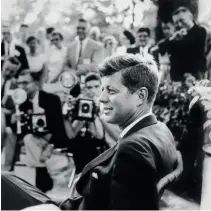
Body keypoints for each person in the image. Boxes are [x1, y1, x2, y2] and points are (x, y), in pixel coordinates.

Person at [1, 54, 178, 210]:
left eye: (111, 90)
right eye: (102, 90)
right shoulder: (161, 130)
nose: (101, 98)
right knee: (5, 179)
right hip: (72, 203)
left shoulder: (133, 150)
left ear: (141, 96)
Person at [9, 69, 69, 192]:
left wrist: (50, 146)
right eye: (19, 83)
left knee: (29, 143)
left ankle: (40, 176)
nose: (22, 87)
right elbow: (21, 133)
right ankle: (42, 173)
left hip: (51, 140)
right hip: (32, 142)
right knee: (28, 139)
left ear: (36, 83)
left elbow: (58, 129)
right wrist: (14, 122)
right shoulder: (20, 101)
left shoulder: (51, 100)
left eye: (25, 83)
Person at [158, 5, 207, 81]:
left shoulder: (200, 31)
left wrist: (179, 38)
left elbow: (191, 47)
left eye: (182, 20)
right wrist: (172, 38)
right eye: (176, 22)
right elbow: (161, 50)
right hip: (176, 77)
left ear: (190, 17)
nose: (179, 24)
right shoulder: (176, 34)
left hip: (195, 75)